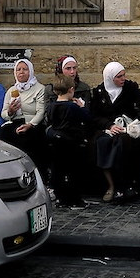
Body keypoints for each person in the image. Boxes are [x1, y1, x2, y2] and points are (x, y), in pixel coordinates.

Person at [90, 61, 140, 203]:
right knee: (102, 143)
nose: (123, 79)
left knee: (122, 144)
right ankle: (111, 185)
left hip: (126, 128)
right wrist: (109, 125)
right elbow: (94, 115)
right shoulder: (100, 92)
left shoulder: (130, 88)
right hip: (108, 128)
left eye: (124, 75)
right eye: (119, 76)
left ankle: (124, 185)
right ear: (110, 78)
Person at [44, 74, 91, 209]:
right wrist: (82, 107)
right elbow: (87, 118)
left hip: (55, 142)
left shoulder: (52, 106)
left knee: (58, 171)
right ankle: (74, 200)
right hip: (71, 143)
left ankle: (61, 198)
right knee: (73, 172)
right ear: (71, 89)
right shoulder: (72, 107)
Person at [0, 58, 47, 170]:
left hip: (32, 123)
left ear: (30, 71)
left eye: (25, 69)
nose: (21, 72)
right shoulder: (12, 90)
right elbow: (4, 113)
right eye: (18, 69)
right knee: (3, 134)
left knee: (29, 138)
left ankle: (34, 171)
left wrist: (30, 124)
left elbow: (41, 112)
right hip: (15, 121)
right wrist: (10, 111)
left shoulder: (39, 89)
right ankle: (11, 170)